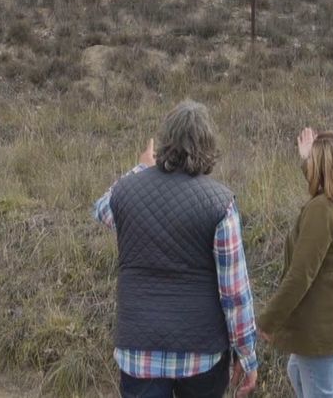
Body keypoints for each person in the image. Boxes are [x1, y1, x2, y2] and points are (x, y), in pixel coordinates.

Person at [93, 100, 259, 398]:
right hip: (202, 353)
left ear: (165, 141)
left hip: (138, 350)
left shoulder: (126, 192)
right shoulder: (221, 203)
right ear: (208, 145)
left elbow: (102, 208)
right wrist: (247, 355)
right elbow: (235, 293)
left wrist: (140, 168)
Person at [257, 128, 333, 398]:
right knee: (297, 369)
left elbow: (299, 276)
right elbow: (325, 183)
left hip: (320, 322)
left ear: (325, 169)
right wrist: (308, 159)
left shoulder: (322, 210)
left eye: (315, 162)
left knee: (319, 391)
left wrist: (268, 321)